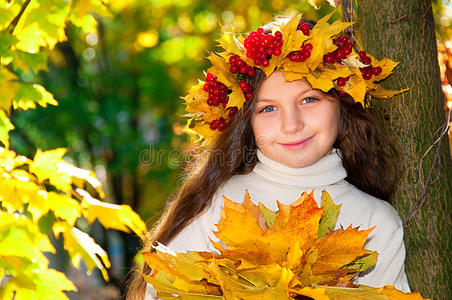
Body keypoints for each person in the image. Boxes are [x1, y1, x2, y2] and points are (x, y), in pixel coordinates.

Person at [126, 12, 411, 299]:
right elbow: (162, 289)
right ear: (247, 123)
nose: (291, 125)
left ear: (342, 103)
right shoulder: (220, 203)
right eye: (268, 109)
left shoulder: (378, 221)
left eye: (309, 99)